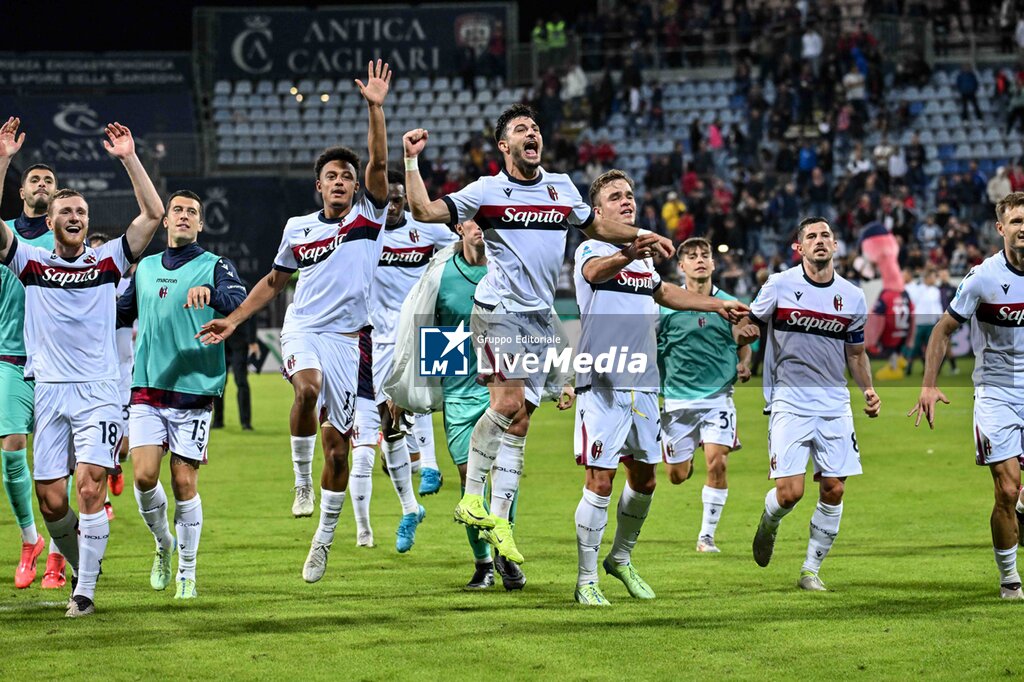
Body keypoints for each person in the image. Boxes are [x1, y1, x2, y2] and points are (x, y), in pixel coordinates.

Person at [402, 104, 676, 565]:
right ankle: (471, 499)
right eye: (521, 129)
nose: (533, 133)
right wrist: (411, 161)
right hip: (499, 309)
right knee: (507, 406)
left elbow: (599, 223)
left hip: (537, 317)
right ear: (504, 146)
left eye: (536, 127)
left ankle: (502, 524)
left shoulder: (561, 187)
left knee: (520, 422)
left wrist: (640, 234)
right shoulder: (488, 190)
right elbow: (424, 209)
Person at [198, 60, 393, 583]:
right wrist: (236, 319)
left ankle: (323, 540)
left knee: (341, 451)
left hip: (349, 340)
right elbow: (274, 282)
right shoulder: (298, 228)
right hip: (304, 328)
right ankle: (300, 482)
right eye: (332, 176)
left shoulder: (369, 217)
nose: (341, 182)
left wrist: (375, 107)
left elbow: (378, 160)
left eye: (346, 178)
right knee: (306, 391)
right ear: (318, 186)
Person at [0, 117, 164, 617]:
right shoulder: (29, 262)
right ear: (50, 223)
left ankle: (85, 591)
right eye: (65, 210)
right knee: (52, 500)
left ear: (88, 223)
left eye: (81, 211)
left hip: (97, 390)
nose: (74, 216)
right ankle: (81, 564)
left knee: (89, 482)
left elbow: (153, 213)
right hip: (48, 389)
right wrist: (4, 159)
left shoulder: (108, 261)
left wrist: (129, 158)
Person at [571, 171, 751, 605]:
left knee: (646, 479)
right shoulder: (589, 250)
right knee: (600, 478)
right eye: (616, 197)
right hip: (602, 382)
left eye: (630, 195)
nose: (627, 201)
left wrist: (719, 303)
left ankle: (621, 558)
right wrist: (632, 249)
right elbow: (596, 275)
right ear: (598, 211)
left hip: (645, 385)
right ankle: (585, 580)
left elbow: (667, 293)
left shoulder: (645, 261)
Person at [117, 190, 245, 599]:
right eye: (178, 211)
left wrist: (214, 295)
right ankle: (163, 545)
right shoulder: (145, 268)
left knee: (183, 481)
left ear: (201, 224)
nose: (185, 216)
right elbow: (119, 313)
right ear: (166, 221)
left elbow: (238, 301)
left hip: (193, 390)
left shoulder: (215, 265)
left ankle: (187, 573)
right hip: (148, 387)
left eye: (193, 212)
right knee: (142, 476)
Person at [747, 216, 880, 592]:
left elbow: (856, 353)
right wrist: (742, 345)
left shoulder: (852, 296)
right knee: (790, 492)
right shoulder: (779, 285)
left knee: (834, 488)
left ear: (836, 246)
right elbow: (751, 325)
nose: (819, 241)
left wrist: (867, 390)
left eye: (825, 236)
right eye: (811, 237)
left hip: (835, 402)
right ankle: (769, 521)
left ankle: (810, 570)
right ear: (799, 247)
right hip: (788, 399)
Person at [910, 191, 1024, 600]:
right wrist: (928, 383)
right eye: (1015, 221)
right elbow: (943, 329)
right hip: (997, 393)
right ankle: (1010, 578)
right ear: (1001, 229)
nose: (1023, 227)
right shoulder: (983, 278)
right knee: (1007, 490)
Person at [349, 169, 455, 549]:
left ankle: (431, 464)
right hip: (381, 338)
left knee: (442, 400)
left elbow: (464, 246)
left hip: (431, 327)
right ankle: (410, 507)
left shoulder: (429, 230)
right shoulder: (363, 234)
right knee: (389, 424)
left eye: (399, 199)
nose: (393, 205)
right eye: (388, 199)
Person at [658, 237, 755, 554]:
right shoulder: (666, 305)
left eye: (705, 255)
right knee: (676, 476)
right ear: (681, 266)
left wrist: (743, 363)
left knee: (718, 463)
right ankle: (687, 454)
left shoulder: (731, 304)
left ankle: (706, 537)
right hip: (677, 401)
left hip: (718, 399)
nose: (700, 260)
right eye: (691, 256)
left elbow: (744, 343)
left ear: (713, 264)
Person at [0, 161, 56, 588]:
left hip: (57, 364)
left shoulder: (64, 240)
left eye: (48, 181)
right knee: (12, 449)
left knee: (59, 465)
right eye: (34, 180)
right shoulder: (5, 233)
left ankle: (56, 555)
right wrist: (2, 159)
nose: (41, 185)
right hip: (10, 359)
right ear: (21, 192)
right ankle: (29, 540)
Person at [88, 231, 135, 521]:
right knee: (98, 442)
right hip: (97, 373)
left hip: (124, 371)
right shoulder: (83, 284)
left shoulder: (129, 284)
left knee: (125, 447)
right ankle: (103, 498)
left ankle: (116, 465)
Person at [211, 305, 257, 430]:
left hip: (239, 342)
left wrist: (252, 341)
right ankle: (217, 421)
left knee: (241, 381)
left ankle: (245, 422)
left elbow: (252, 313)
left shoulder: (244, 288)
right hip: (220, 342)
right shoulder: (214, 286)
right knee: (219, 383)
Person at [904, 268, 943, 375]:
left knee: (930, 347)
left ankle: (929, 369)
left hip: (931, 323)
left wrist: (940, 318)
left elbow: (937, 305)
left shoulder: (936, 291)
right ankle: (909, 368)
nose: (935, 279)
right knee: (915, 347)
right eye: (933, 277)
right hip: (919, 323)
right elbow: (911, 301)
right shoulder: (917, 289)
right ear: (927, 278)